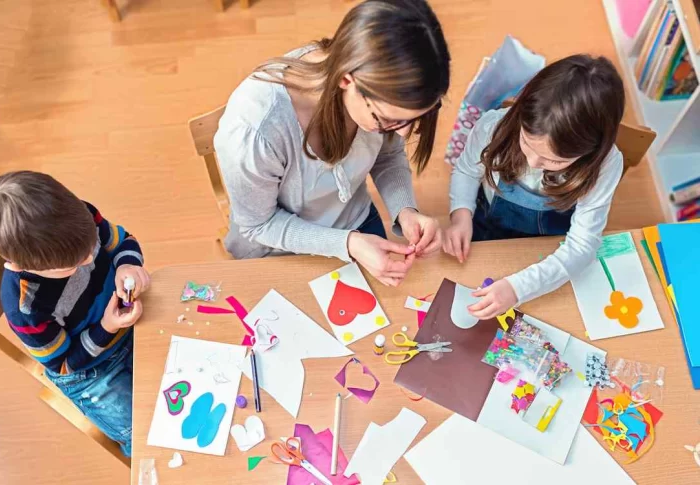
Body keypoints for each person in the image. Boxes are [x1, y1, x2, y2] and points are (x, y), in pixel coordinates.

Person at [214, 0, 450, 287]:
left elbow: (388, 157)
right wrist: (348, 244)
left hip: (356, 224)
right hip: (278, 247)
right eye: (388, 120)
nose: (402, 134)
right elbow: (258, 225)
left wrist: (405, 210)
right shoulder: (256, 129)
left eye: (413, 119)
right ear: (346, 80)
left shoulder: (378, 91)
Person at [0, 171, 150, 457]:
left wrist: (128, 266)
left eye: (89, 245)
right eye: (73, 264)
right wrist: (107, 326)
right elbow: (65, 364)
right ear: (21, 266)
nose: (90, 259)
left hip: (129, 327)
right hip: (90, 372)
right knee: (146, 434)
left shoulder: (81, 218)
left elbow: (122, 242)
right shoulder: (25, 308)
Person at [444, 55, 625, 319]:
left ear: (592, 152)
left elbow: (582, 246)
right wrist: (460, 214)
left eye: (555, 160)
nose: (533, 162)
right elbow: (466, 171)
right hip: (484, 229)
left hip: (548, 249)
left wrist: (518, 288)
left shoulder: (606, 165)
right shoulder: (493, 126)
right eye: (526, 142)